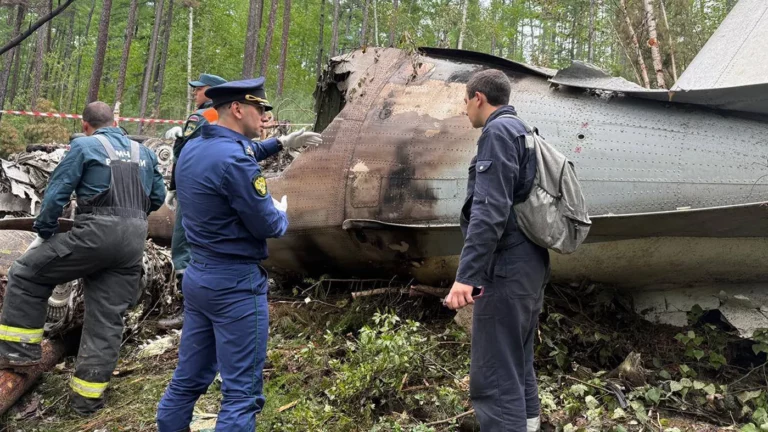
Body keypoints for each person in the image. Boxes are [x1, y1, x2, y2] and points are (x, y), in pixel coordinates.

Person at [156, 78, 322, 431]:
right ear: (237, 109)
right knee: (241, 394)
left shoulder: (196, 148)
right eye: (260, 109)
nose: (264, 116)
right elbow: (268, 225)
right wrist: (279, 211)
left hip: (200, 276)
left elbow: (238, 151)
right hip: (234, 285)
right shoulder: (235, 162)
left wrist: (281, 143)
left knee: (187, 380)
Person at [0, 101, 166, 415]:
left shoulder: (84, 146)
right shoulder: (143, 152)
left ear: (86, 124)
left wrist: (46, 228)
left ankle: (19, 356)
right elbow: (157, 197)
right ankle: (87, 403)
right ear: (114, 124)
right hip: (134, 240)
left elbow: (58, 191)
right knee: (106, 319)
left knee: (26, 274)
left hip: (95, 233)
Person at [443, 69, 550, 432]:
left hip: (505, 268)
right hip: (529, 264)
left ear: (478, 98)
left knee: (493, 376)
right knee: (517, 363)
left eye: (465, 102)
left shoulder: (497, 132)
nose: (465, 111)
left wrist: (466, 276)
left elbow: (489, 211)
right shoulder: (523, 130)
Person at [159, 72, 227, 330]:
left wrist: (174, 188)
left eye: (198, 89)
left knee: (184, 247)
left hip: (194, 188)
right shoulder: (229, 115)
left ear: (210, 92)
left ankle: (190, 311)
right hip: (216, 189)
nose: (194, 93)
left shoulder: (202, 115)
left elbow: (182, 153)